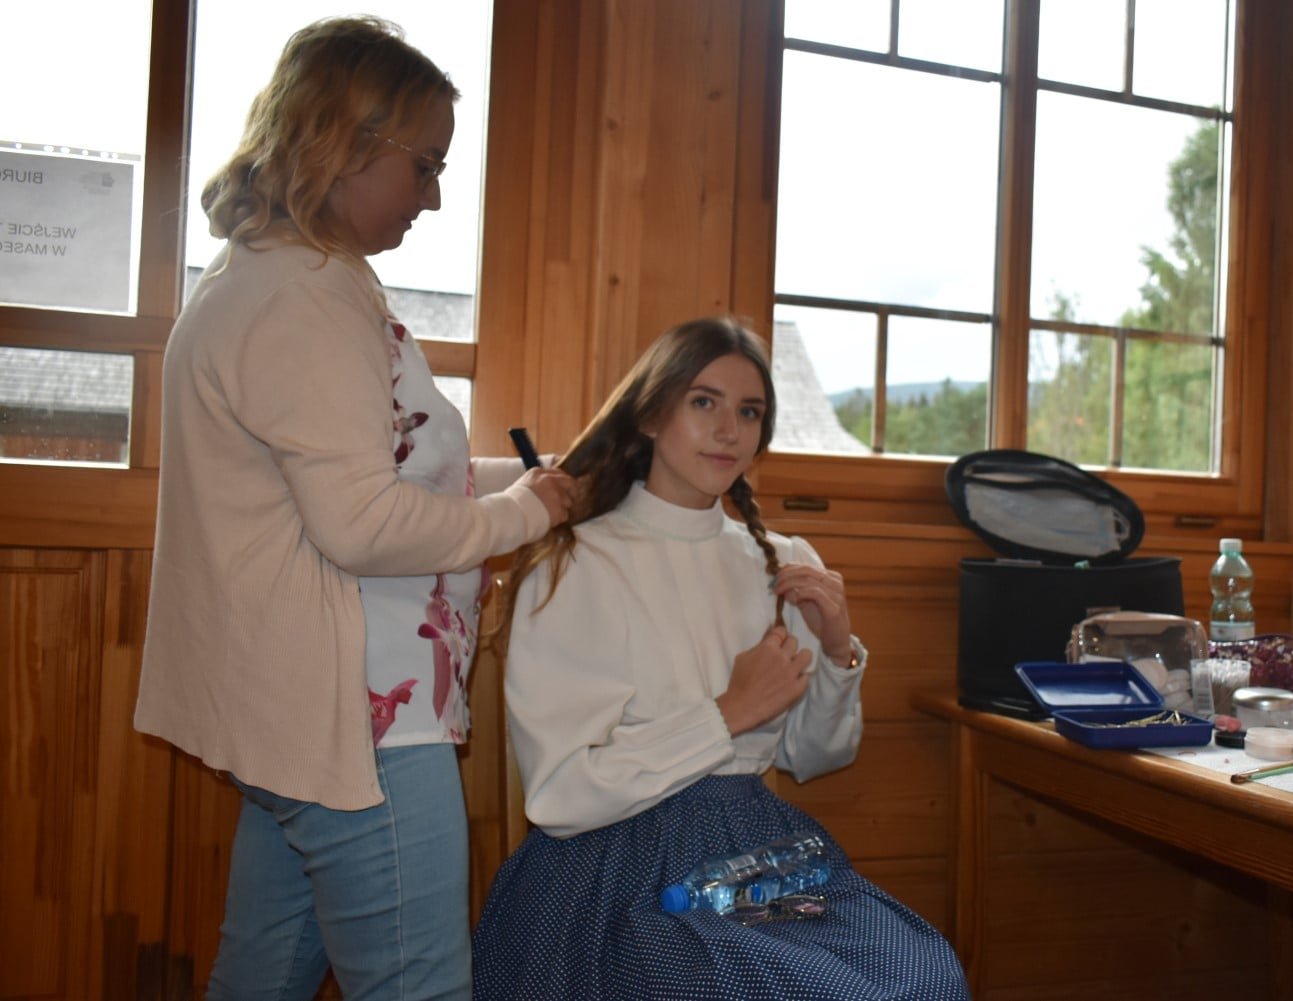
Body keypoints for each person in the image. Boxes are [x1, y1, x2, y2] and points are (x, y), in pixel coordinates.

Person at [133, 16, 575, 1000]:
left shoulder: (274, 272)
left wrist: (530, 488)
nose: (434, 194)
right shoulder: (305, 294)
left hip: (306, 712)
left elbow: (374, 480)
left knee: (261, 976)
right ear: (347, 141)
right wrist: (524, 515)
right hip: (361, 716)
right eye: (424, 165)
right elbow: (364, 523)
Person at [471, 317, 969, 1000]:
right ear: (650, 414)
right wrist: (727, 713)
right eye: (703, 401)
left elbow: (815, 756)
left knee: (922, 977)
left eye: (750, 411)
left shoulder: (782, 561)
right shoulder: (576, 564)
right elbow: (561, 794)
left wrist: (836, 653)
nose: (729, 429)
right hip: (614, 874)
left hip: (763, 868)